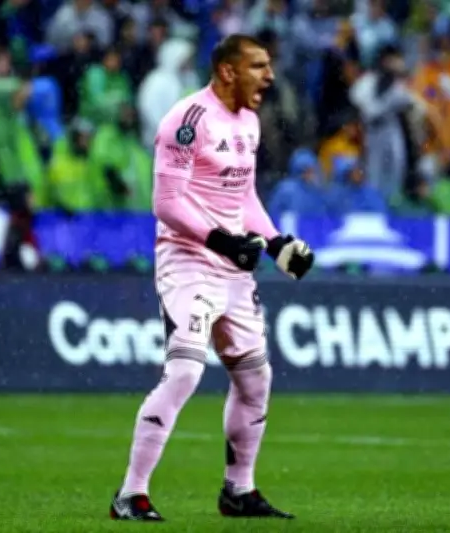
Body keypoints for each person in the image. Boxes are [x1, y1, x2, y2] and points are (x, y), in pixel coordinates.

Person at [108, 34, 314, 522]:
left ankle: (239, 491)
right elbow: (167, 203)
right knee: (185, 371)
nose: (269, 76)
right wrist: (221, 240)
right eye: (258, 66)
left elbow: (243, 196)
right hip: (187, 261)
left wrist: (275, 243)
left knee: (255, 378)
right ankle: (130, 495)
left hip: (234, 268)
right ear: (227, 71)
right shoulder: (186, 120)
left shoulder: (248, 122)